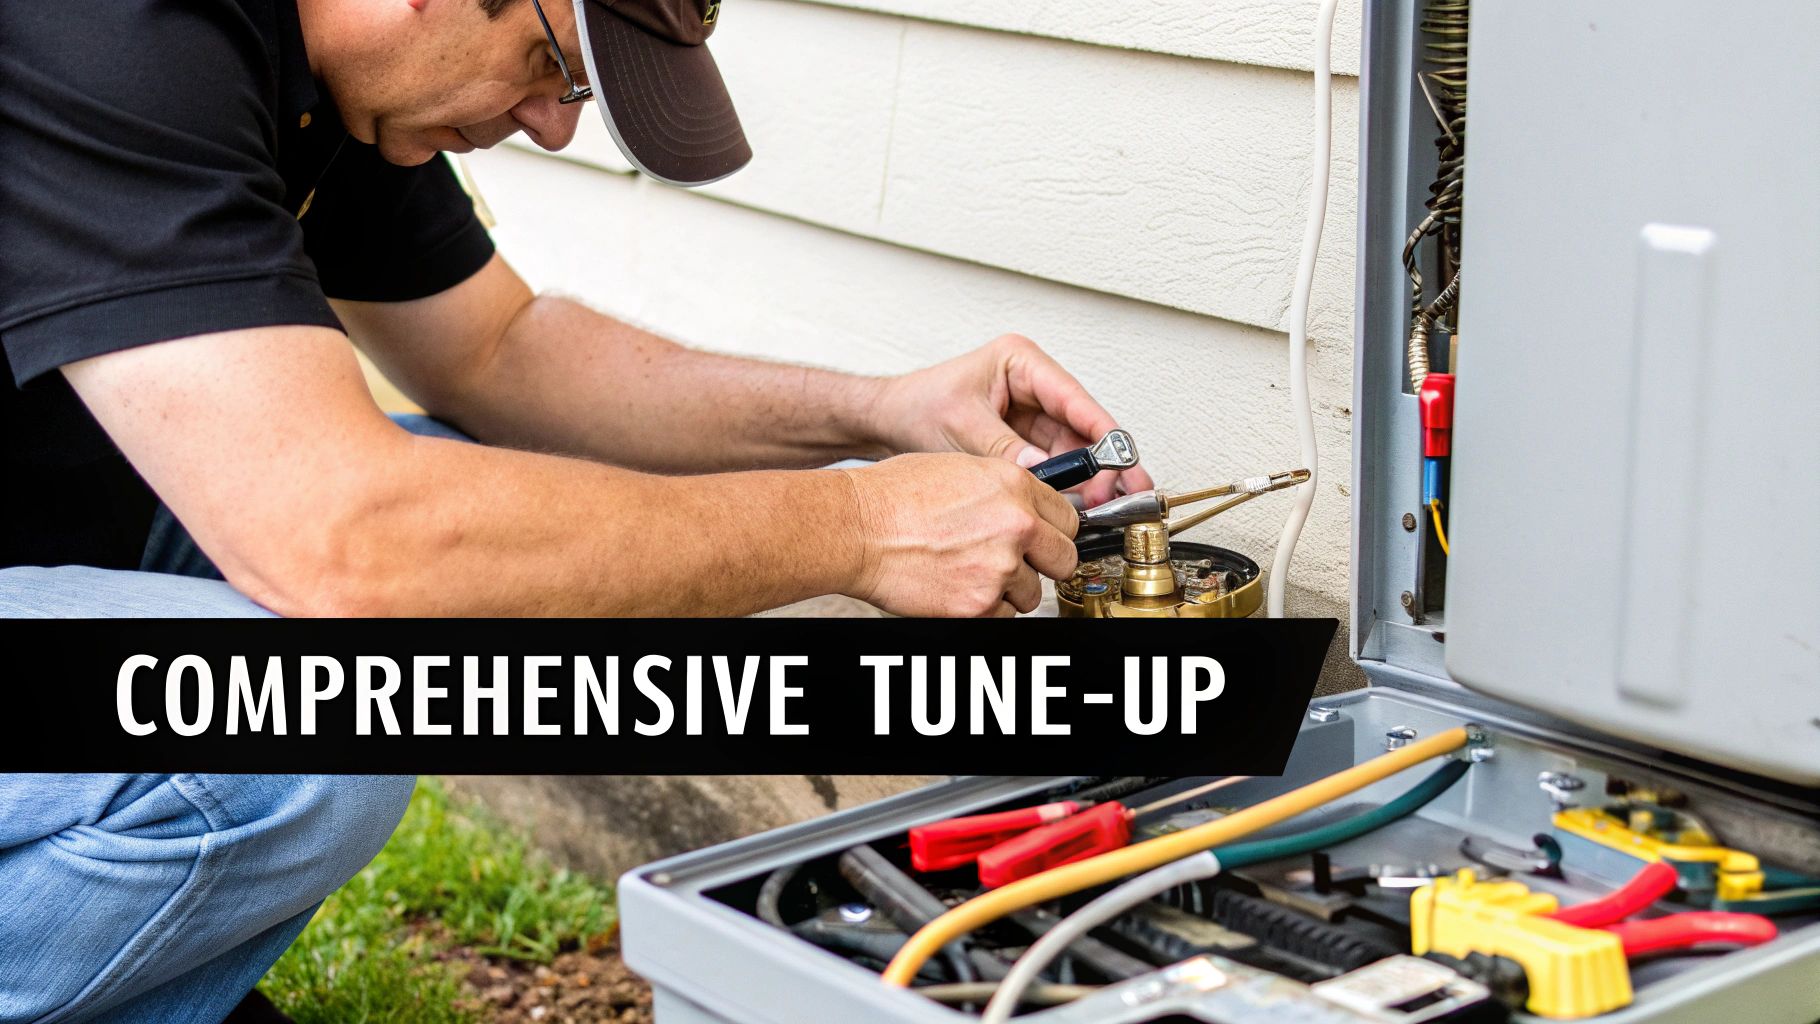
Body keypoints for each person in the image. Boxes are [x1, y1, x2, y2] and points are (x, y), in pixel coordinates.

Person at [0, 0, 1153, 1019]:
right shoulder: (113, 31)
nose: (555, 127)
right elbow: (344, 539)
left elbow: (500, 355)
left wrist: (882, 411)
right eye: (553, 63)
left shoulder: (325, 85)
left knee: (470, 515)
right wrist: (857, 528)